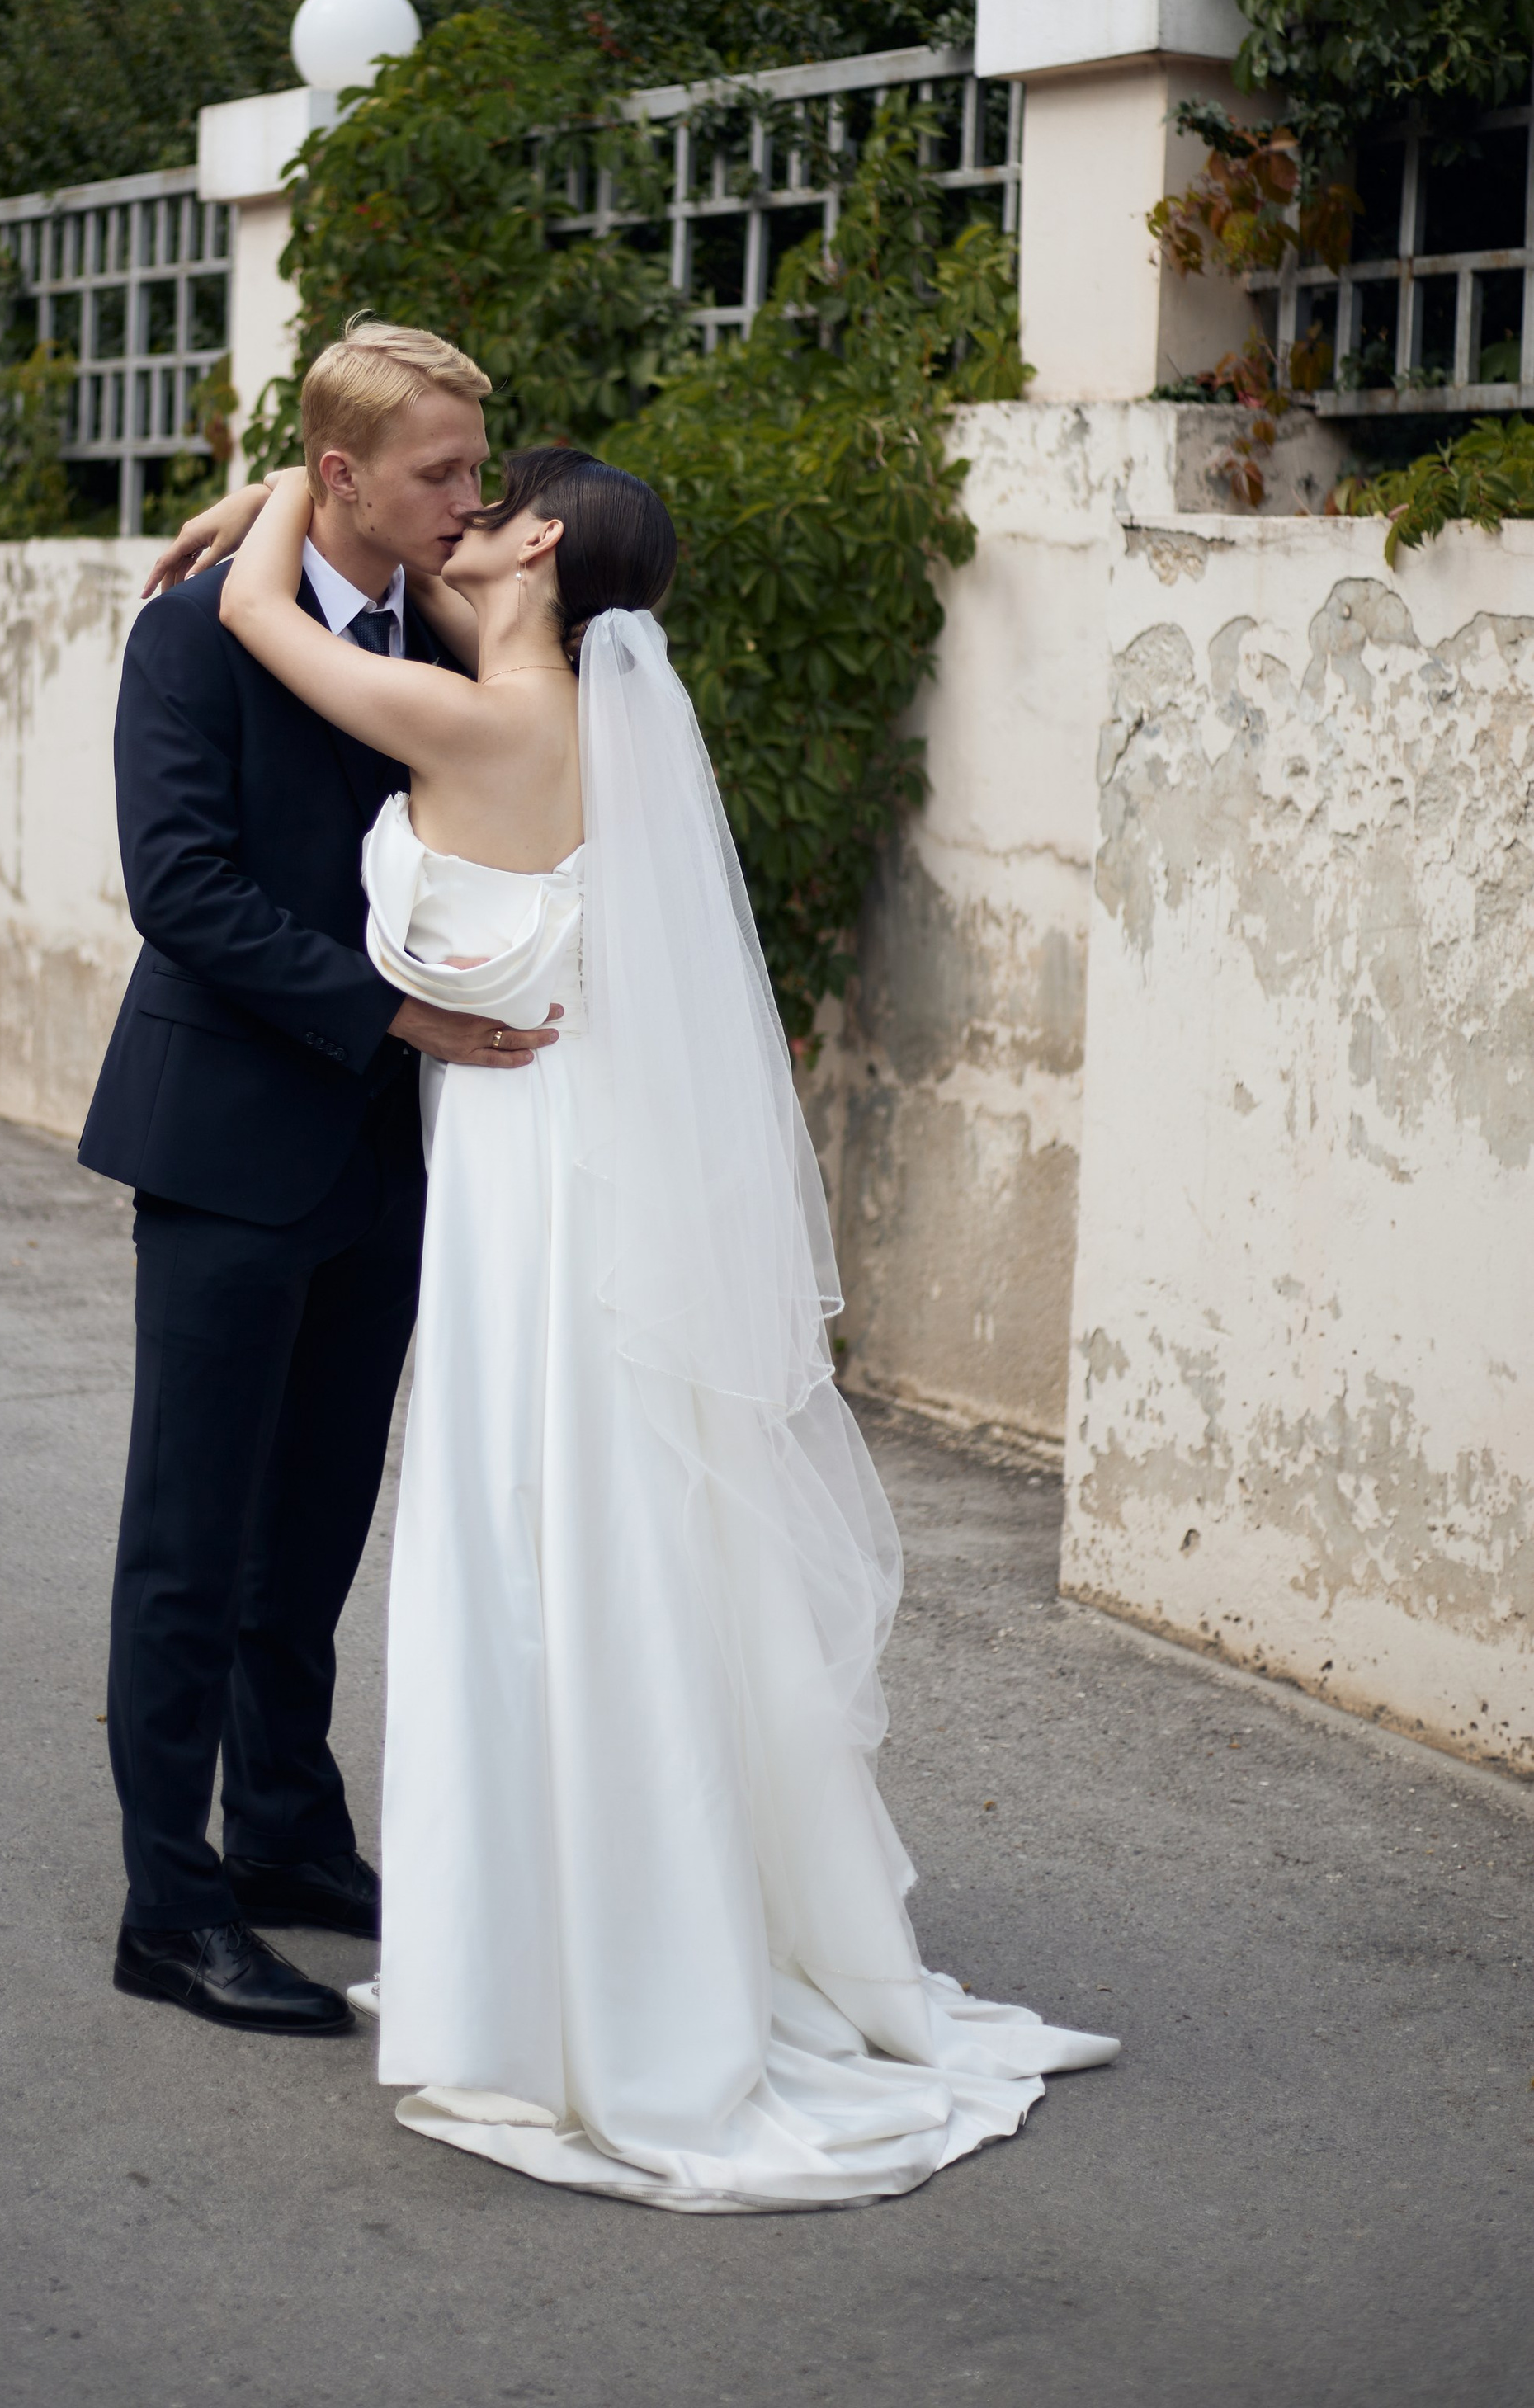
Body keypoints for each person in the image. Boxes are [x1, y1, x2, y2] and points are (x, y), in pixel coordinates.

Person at [214, 441, 1120, 2211]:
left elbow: (259, 610)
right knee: (587, 1528)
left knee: (534, 1530)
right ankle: (600, 1925)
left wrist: (273, 486)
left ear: (539, 539)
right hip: (542, 1152)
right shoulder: (545, 709)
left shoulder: (492, 717)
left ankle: (578, 1971)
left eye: (488, 503)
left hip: (524, 1179)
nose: (457, 522)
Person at [78, 323, 561, 2040]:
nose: (468, 499)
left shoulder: (425, 627)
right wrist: (392, 1013)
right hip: (224, 1144)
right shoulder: (191, 636)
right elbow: (180, 888)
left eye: (473, 467)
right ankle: (169, 1904)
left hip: (379, 1157)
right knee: (189, 1544)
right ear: (341, 477)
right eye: (437, 471)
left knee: (314, 1530)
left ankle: (286, 1833)